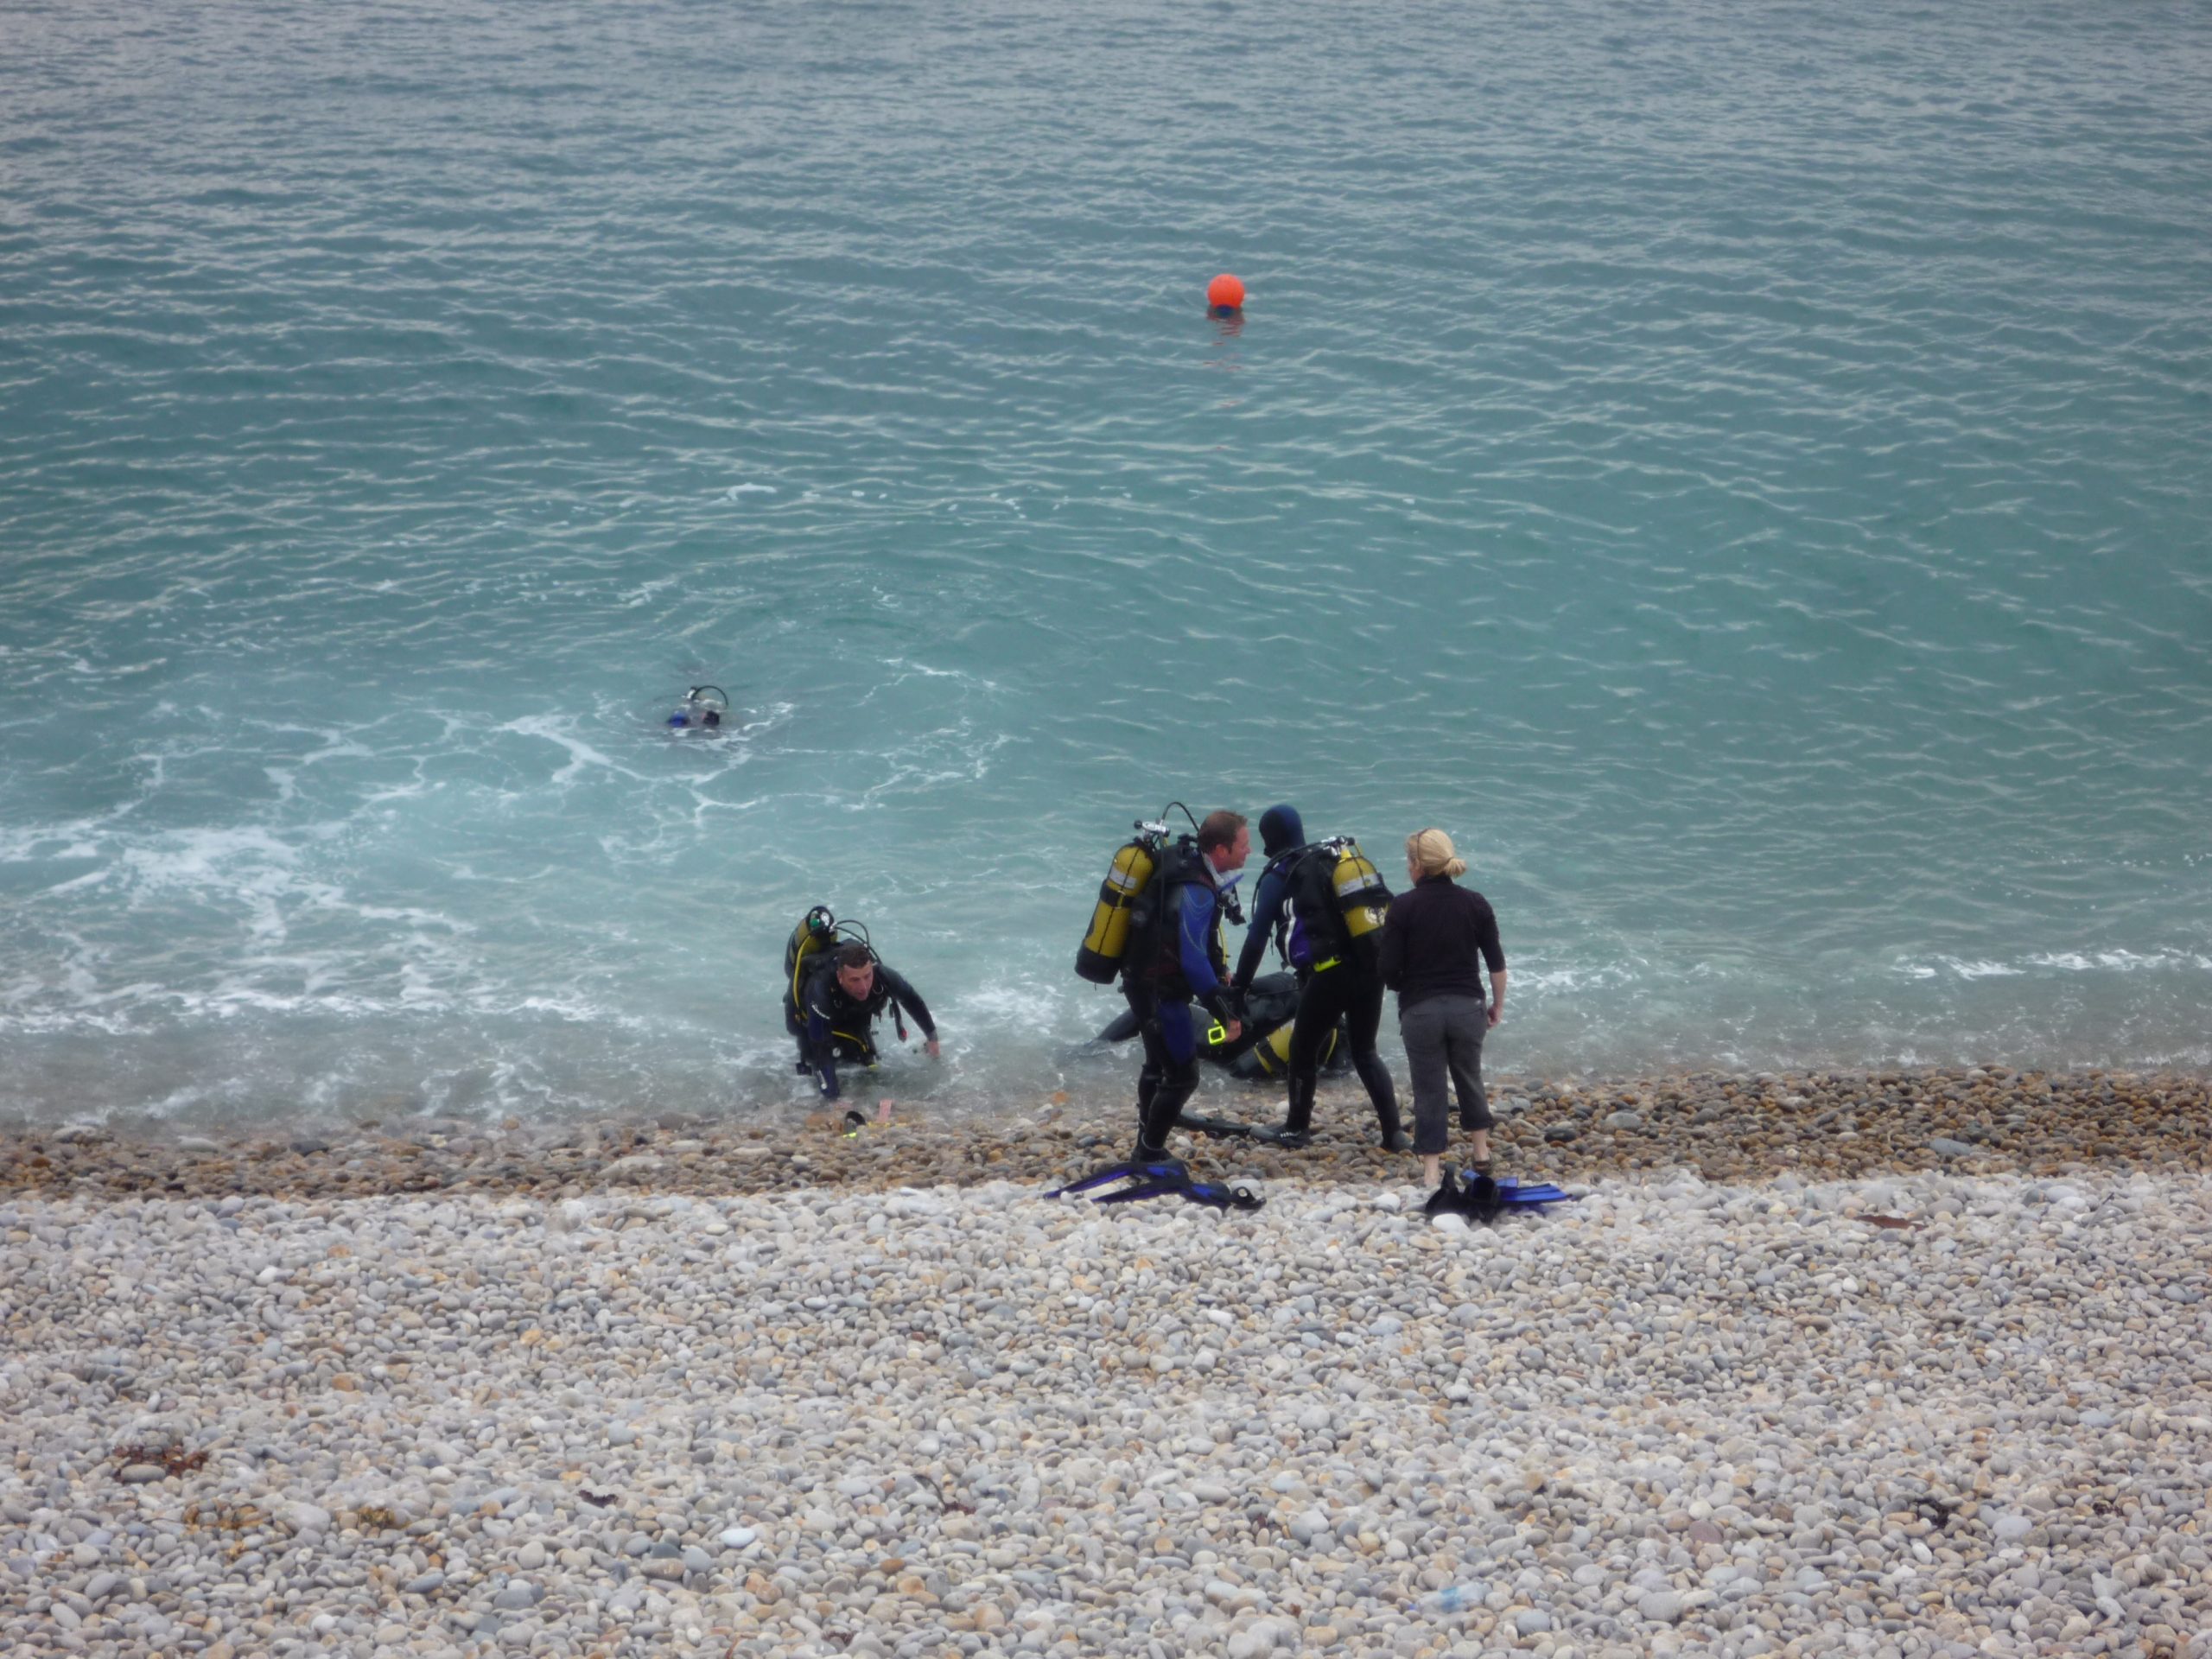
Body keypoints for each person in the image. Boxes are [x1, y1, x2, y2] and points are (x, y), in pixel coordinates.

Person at [1231, 804, 1409, 1150]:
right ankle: (1394, 1134)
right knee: (1365, 1051)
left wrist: (1239, 988)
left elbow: (1256, 939)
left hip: (1330, 976)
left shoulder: (1282, 875)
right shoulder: (1331, 862)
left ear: (1271, 838)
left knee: (1302, 1050)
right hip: (1369, 968)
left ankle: (1296, 1128)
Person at [1376, 827, 1508, 1198]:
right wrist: (1497, 1005)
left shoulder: (1403, 907)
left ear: (1418, 865)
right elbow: (1496, 964)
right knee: (1469, 1075)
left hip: (1421, 1011)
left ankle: (1432, 1171)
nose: (1408, 867)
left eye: (1409, 861)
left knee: (1429, 1088)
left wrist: (1404, 986)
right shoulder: (1476, 903)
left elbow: (1387, 968)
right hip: (1468, 1008)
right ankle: (1480, 1152)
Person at [1124, 810, 1249, 1157]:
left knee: (1157, 1065)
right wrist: (1224, 1013)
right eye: (1243, 845)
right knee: (1182, 1075)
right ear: (1221, 850)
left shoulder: (1187, 867)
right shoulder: (1198, 889)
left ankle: (1145, 1142)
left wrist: (1219, 969)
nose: (1249, 851)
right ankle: (1149, 1152)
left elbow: (1191, 940)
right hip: (1161, 994)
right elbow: (1192, 960)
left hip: (1139, 981)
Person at [798, 941, 940, 1103]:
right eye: (855, 980)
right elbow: (820, 1048)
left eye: (867, 976)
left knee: (867, 1067)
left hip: (855, 1016)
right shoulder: (820, 989)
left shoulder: (883, 976)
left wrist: (932, 1038)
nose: (864, 987)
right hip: (816, 1023)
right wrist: (833, 1100)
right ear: (840, 977)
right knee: (819, 1069)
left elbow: (911, 999)